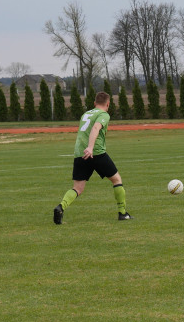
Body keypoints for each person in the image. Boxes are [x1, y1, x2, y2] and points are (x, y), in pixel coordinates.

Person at [53, 91, 131, 224]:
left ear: (94, 103)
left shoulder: (86, 114)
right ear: (108, 104)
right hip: (96, 152)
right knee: (116, 179)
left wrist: (86, 148)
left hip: (80, 154)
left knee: (77, 188)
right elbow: (95, 128)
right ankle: (122, 213)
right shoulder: (103, 114)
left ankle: (61, 207)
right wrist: (90, 147)